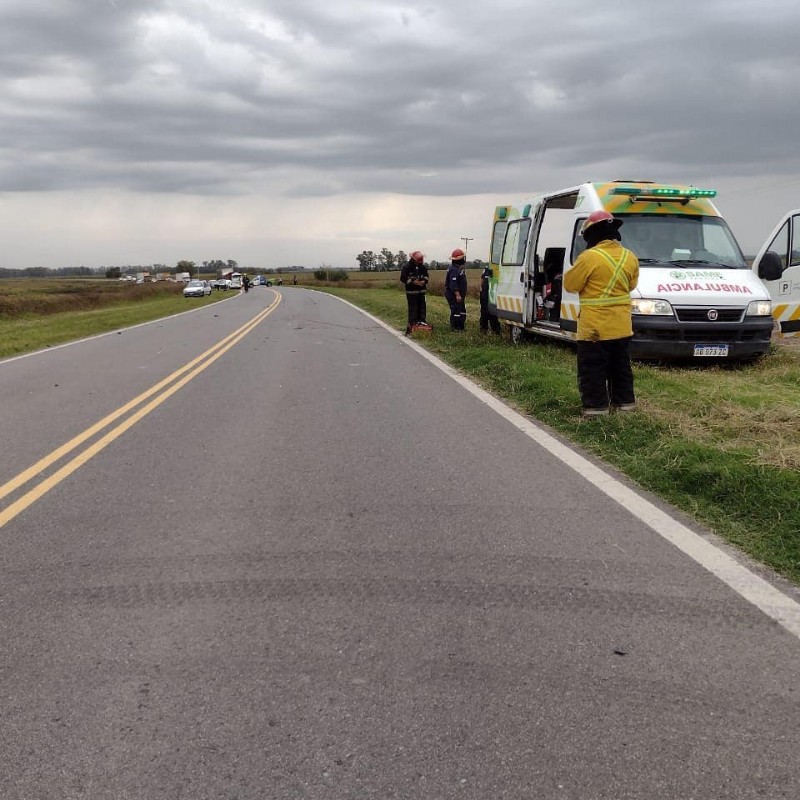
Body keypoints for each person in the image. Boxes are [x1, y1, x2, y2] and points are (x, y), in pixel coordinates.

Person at [563, 210, 640, 417]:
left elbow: (570, 285)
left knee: (593, 371)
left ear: (593, 234)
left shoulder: (589, 258)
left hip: (595, 331)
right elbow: (632, 285)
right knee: (621, 369)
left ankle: (596, 409)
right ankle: (625, 407)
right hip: (622, 327)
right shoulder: (629, 256)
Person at [399, 250, 429, 335]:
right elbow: (403, 279)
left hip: (421, 292)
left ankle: (422, 323)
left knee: (422, 308)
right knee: (413, 309)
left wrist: (424, 281)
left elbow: (427, 276)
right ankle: (412, 325)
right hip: (411, 293)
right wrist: (413, 282)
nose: (418, 263)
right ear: (413, 259)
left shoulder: (422, 267)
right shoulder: (407, 267)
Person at [445, 248, 468, 331]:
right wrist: (457, 294)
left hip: (459, 295)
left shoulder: (458, 268)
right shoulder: (453, 269)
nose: (464, 260)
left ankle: (461, 327)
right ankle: (455, 328)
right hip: (453, 294)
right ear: (459, 260)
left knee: (462, 311)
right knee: (456, 311)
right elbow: (453, 283)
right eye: (463, 258)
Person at [479, 265, 501, 333]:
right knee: (484, 310)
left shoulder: (498, 268)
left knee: (492, 311)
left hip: (493, 293)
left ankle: (495, 328)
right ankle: (483, 327)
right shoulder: (486, 268)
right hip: (485, 292)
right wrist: (480, 287)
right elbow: (482, 278)